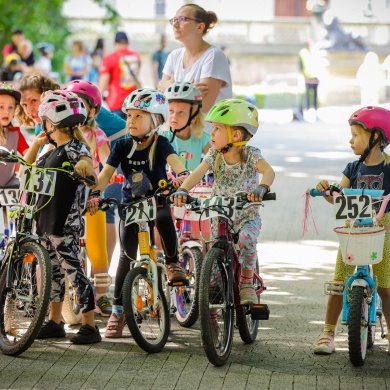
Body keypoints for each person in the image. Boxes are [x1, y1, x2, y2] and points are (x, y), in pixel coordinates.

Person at [87, 88, 189, 338]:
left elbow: (177, 165)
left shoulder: (161, 143)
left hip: (157, 199)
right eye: (129, 116)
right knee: (126, 255)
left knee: (164, 218)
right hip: (130, 205)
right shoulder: (121, 145)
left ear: (156, 121)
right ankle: (119, 312)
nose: (130, 121)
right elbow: (105, 175)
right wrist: (94, 194)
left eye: (138, 116)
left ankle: (173, 262)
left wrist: (182, 178)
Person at [170, 98, 275, 305]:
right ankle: (215, 290)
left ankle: (246, 282)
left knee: (246, 240)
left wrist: (262, 187)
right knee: (213, 249)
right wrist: (182, 190)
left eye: (217, 129)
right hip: (220, 214)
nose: (212, 134)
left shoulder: (251, 154)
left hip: (246, 215)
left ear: (235, 135)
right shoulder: (214, 154)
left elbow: (268, 171)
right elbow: (197, 174)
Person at [22, 90, 101, 344]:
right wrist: (35, 144)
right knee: (52, 273)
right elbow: (27, 170)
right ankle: (54, 322)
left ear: (52, 122)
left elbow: (89, 169)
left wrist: (85, 168)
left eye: (43, 120)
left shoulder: (75, 148)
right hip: (47, 221)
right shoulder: (48, 150)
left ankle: (90, 325)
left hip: (65, 223)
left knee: (73, 270)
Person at [313, 106, 390, 355]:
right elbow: (338, 195)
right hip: (353, 230)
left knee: (386, 287)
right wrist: (328, 190)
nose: (351, 140)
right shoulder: (352, 168)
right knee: (339, 281)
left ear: (376, 138)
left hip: (383, 232)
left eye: (356, 135)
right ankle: (327, 333)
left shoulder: (388, 168)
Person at [62, 79, 112, 317]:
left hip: (89, 197)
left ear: (93, 110)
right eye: (71, 104)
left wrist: (100, 184)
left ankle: (101, 294)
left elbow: (106, 163)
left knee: (97, 245)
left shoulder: (96, 135)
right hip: (65, 197)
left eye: (81, 104)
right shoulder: (61, 133)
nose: (76, 109)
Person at [158, 4, 232, 118]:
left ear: (200, 27)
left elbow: (204, 106)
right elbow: (161, 98)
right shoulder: (174, 56)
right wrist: (189, 89)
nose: (175, 24)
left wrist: (170, 87)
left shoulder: (214, 56)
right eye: (174, 20)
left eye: (182, 19)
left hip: (208, 133)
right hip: (178, 132)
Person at [162, 81, 210, 171]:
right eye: (171, 111)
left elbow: (216, 160)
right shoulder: (162, 137)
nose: (174, 116)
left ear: (193, 117)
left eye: (181, 112)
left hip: (191, 185)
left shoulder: (202, 138)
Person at [98, 31, 142, 120]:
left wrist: (97, 99)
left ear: (115, 43)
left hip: (116, 102)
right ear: (127, 42)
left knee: (119, 132)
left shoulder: (109, 58)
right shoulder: (136, 56)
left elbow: (103, 82)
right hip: (133, 101)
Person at [0, 83, 29, 186]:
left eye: (10, 107)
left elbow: (29, 154)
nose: (6, 112)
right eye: (1, 107)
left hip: (10, 185)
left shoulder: (15, 133)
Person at [298, 41, 320, 116]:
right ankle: (307, 108)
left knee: (315, 95)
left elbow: (318, 64)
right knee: (307, 94)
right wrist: (304, 75)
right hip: (308, 77)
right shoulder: (302, 53)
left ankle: (315, 109)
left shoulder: (315, 52)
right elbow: (301, 65)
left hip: (315, 77)